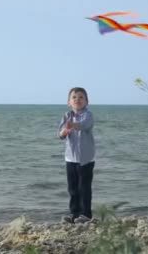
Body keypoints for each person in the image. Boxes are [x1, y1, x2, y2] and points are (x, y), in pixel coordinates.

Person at [57, 87, 95, 224]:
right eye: (74, 97)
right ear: (69, 102)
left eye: (81, 97)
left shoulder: (88, 115)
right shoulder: (66, 115)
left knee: (84, 187)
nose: (77, 100)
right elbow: (60, 134)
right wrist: (64, 131)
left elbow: (83, 125)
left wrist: (72, 125)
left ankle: (86, 214)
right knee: (72, 188)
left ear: (86, 101)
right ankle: (74, 213)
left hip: (86, 158)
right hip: (70, 157)